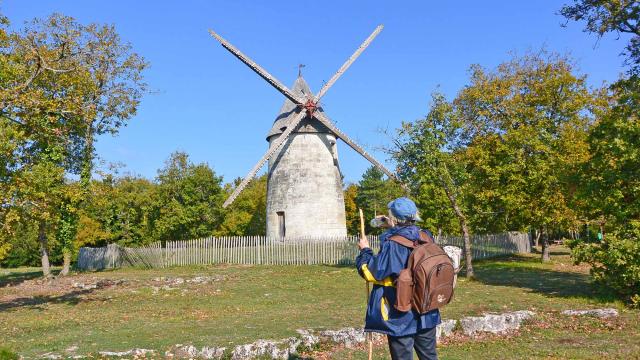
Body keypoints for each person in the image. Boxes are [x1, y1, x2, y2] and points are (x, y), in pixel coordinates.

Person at [356, 197, 440, 360]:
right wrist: (392, 225)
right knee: (429, 356)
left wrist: (365, 251)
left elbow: (371, 272)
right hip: (427, 308)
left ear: (394, 218)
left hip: (401, 313)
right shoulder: (426, 236)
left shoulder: (392, 244)